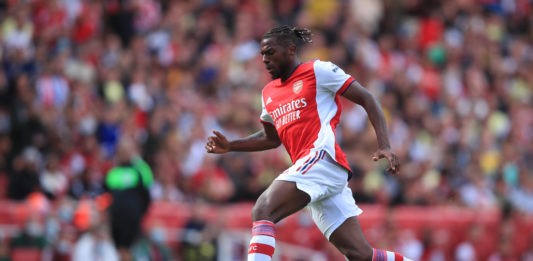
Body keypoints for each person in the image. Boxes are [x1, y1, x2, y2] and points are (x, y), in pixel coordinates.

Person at [206, 25, 412, 261]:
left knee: (263, 209)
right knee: (360, 255)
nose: (264, 59)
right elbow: (271, 138)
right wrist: (232, 146)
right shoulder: (268, 93)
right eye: (262, 54)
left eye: (270, 52)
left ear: (290, 50)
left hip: (321, 157)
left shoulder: (318, 70)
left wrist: (384, 143)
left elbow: (368, 98)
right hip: (319, 172)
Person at [105, 137, 154, 261]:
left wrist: (139, 215)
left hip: (132, 219)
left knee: (129, 249)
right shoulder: (112, 172)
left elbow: (146, 196)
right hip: (116, 220)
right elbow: (107, 195)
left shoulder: (141, 171)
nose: (124, 153)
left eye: (127, 150)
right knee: (119, 250)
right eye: (121, 150)